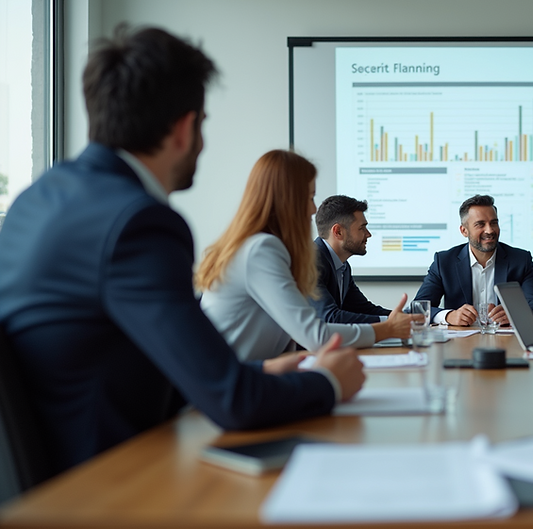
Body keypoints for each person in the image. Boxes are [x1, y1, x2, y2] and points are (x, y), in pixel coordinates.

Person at [0, 26, 365, 475]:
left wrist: (262, 373)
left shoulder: (34, 201)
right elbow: (232, 403)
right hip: (111, 482)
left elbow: (140, 365)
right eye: (204, 125)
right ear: (185, 127)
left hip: (53, 479)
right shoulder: (138, 222)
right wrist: (328, 382)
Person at [197, 152, 411, 362]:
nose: (313, 208)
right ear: (287, 200)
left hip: (252, 375)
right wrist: (387, 329)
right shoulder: (261, 250)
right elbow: (316, 335)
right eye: (309, 197)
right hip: (231, 386)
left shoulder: (265, 247)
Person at [414, 194, 533, 326]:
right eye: (480, 224)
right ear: (464, 231)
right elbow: (417, 309)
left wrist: (516, 314)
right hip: (460, 343)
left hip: (506, 340)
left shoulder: (520, 260)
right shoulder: (444, 262)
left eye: (494, 223)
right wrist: (449, 316)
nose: (489, 230)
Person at [311, 195, 390, 323]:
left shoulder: (343, 267)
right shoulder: (312, 262)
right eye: (361, 228)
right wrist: (390, 322)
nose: (368, 234)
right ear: (338, 232)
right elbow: (330, 317)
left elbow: (364, 309)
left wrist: (407, 319)